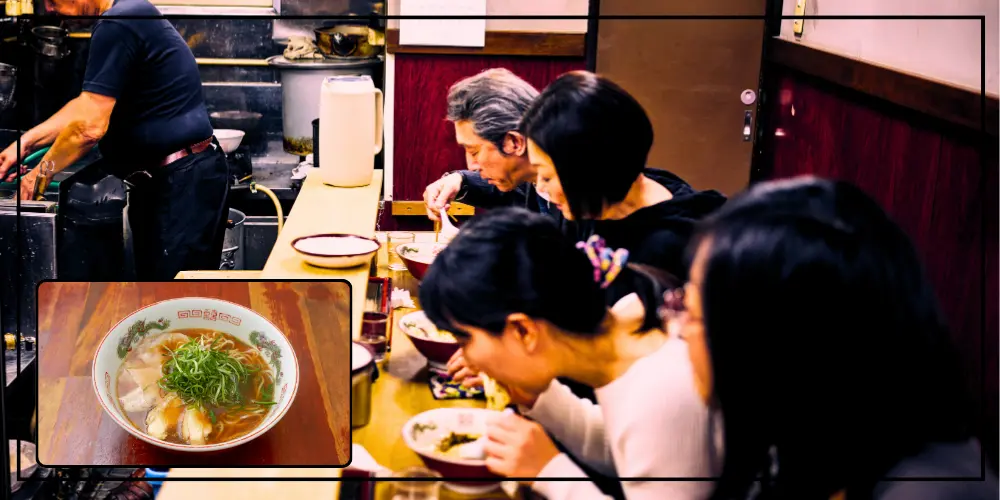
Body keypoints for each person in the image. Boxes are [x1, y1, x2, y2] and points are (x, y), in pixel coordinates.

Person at [667, 176, 997, 499]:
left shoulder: (927, 490)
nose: (679, 331)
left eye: (692, 313)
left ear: (774, 343)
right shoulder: (806, 436)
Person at [420, 207, 724, 500]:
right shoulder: (625, 330)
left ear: (524, 331)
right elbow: (626, 454)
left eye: (465, 339)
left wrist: (549, 472)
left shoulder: (661, 391)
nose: (467, 358)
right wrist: (538, 399)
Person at [0, 0, 230, 280]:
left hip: (181, 184)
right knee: (162, 301)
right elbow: (88, 105)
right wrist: (25, 144)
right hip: (174, 180)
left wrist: (37, 177)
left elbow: (88, 128)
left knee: (175, 303)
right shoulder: (126, 13)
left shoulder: (118, 21)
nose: (49, 9)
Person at [422, 68, 558, 221]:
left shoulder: (580, 198)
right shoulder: (532, 179)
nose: (471, 166)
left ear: (514, 142)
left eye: (474, 152)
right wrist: (459, 180)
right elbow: (512, 191)